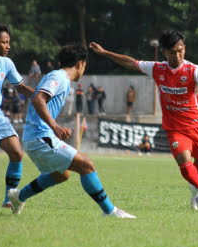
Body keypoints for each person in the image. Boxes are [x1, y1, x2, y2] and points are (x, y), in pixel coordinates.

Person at [90, 30, 198, 210]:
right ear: (165, 52)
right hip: (175, 129)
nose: (178, 55)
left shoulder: (193, 70)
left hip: (197, 126)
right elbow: (131, 62)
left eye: (181, 50)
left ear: (184, 49)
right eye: (173, 52)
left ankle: (197, 191)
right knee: (184, 160)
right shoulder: (157, 68)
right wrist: (105, 53)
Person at [7, 44, 135, 219]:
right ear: (80, 64)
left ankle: (18, 196)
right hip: (40, 136)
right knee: (87, 165)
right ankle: (109, 211)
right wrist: (55, 126)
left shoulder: (60, 78)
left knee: (61, 175)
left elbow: (37, 95)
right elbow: (38, 99)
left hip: (35, 138)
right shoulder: (59, 77)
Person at [0, 22, 35, 207]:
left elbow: (21, 87)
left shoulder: (6, 63)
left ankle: (9, 198)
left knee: (17, 153)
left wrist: (41, 96)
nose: (8, 46)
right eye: (4, 42)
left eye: (9, 42)